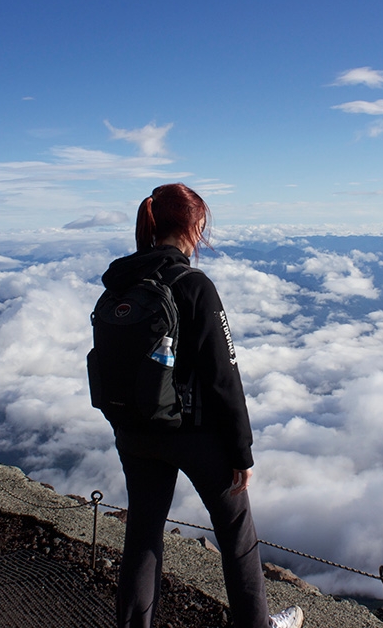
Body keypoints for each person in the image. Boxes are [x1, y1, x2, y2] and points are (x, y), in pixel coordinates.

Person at [103, 184, 303, 628]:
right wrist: (241, 452)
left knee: (142, 536)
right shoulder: (193, 284)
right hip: (193, 435)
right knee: (236, 533)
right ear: (194, 225)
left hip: (134, 432)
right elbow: (223, 374)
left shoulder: (123, 281)